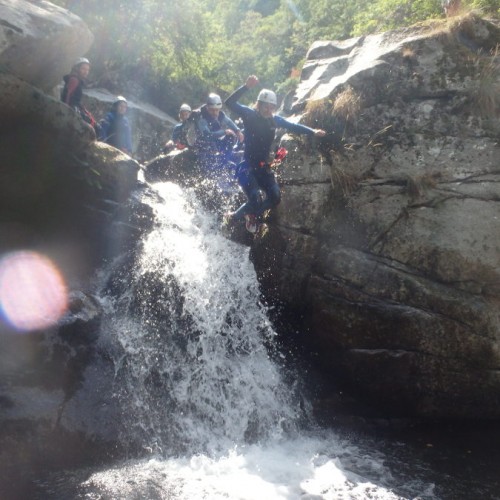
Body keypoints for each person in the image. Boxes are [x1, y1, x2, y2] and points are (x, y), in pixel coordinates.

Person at [224, 75, 326, 233]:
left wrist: (312, 131)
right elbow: (229, 103)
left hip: (263, 167)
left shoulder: (275, 120)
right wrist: (246, 87)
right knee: (256, 198)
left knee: (275, 197)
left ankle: (251, 214)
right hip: (247, 167)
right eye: (266, 106)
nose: (269, 110)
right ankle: (233, 217)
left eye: (272, 107)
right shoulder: (249, 114)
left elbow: (292, 126)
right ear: (259, 104)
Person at [195, 93, 244, 175]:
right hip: (203, 144)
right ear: (207, 108)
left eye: (217, 110)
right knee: (227, 134)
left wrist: (238, 131)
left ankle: (224, 161)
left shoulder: (220, 114)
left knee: (231, 136)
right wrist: (224, 132)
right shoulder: (201, 117)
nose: (215, 112)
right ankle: (217, 167)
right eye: (212, 110)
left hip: (215, 141)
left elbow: (229, 122)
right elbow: (208, 135)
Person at [61, 57, 98, 131]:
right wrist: (66, 112)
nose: (86, 72)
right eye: (83, 69)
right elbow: (67, 96)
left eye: (87, 70)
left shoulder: (77, 80)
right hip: (72, 108)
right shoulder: (74, 80)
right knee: (94, 127)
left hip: (75, 107)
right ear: (77, 69)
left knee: (93, 124)